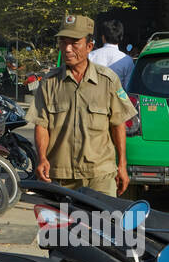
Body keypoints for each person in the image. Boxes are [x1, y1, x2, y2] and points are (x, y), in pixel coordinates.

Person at [26, 15, 136, 194]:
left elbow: (118, 124)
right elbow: (41, 125)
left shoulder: (108, 81)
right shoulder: (49, 83)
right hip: (60, 176)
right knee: (61, 223)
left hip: (100, 175)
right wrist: (42, 158)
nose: (68, 49)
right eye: (63, 42)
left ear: (89, 46)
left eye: (74, 43)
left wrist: (122, 164)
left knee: (104, 222)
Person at [89, 19, 135, 91]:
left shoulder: (91, 56)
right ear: (121, 38)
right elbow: (128, 87)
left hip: (93, 99)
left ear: (103, 37)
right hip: (117, 99)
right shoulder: (127, 60)